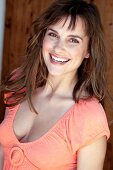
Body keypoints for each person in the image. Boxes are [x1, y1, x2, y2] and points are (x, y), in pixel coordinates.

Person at [0, 0, 110, 169]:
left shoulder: (90, 116)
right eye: (53, 34)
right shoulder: (20, 83)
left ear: (88, 50)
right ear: (43, 37)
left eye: (73, 40)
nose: (59, 48)